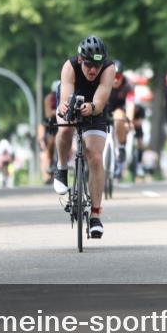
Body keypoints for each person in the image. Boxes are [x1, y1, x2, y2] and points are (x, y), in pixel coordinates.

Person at [52, 35, 116, 239]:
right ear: (80, 60)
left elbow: (101, 96)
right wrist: (66, 107)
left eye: (97, 65)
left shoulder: (109, 69)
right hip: (71, 103)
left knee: (95, 157)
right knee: (64, 129)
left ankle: (96, 216)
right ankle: (61, 169)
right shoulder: (69, 67)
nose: (93, 70)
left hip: (95, 109)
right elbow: (65, 99)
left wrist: (93, 107)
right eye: (89, 64)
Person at [107, 60, 135, 170]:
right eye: (112, 76)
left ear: (122, 75)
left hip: (120, 108)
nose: (115, 79)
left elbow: (130, 104)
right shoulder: (103, 81)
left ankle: (122, 146)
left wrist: (129, 121)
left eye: (118, 76)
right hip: (105, 107)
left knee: (118, 118)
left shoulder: (129, 85)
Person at [39, 80, 61, 184]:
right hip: (52, 124)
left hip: (63, 122)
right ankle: (51, 162)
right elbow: (48, 114)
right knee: (52, 141)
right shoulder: (49, 98)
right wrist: (59, 111)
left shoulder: (66, 95)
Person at [131, 101, 147, 180]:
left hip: (137, 127)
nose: (135, 109)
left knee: (140, 143)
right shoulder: (128, 108)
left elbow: (140, 122)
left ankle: (139, 164)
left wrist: (135, 122)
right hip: (128, 126)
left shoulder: (141, 110)